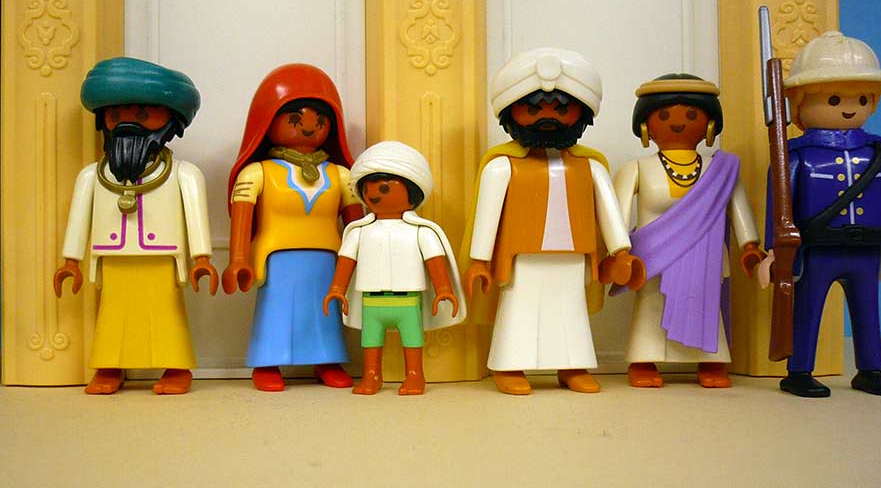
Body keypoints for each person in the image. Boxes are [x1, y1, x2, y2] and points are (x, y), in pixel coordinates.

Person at [461, 47, 645, 395]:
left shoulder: (590, 167)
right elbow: (488, 214)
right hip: (520, 258)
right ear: (510, 113)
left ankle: (572, 366)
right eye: (533, 109)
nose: (548, 117)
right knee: (519, 308)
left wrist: (620, 251)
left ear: (582, 114)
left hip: (574, 256)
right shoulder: (501, 167)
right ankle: (509, 366)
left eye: (562, 109)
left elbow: (608, 212)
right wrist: (480, 261)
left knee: (571, 311)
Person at [54, 57, 218, 395]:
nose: (128, 122)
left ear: (171, 122)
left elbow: (195, 217)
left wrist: (202, 257)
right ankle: (110, 367)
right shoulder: (93, 175)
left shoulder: (183, 174)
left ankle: (176, 368)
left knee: (165, 314)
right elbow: (79, 217)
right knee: (113, 315)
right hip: (113, 256)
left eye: (143, 114)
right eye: (116, 115)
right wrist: (71, 261)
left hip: (162, 257)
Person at [761, 31, 881, 397]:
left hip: (867, 250)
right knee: (807, 309)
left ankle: (870, 368)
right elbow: (779, 208)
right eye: (834, 99)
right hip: (816, 251)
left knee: (868, 310)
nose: (849, 107)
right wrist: (773, 251)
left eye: (862, 98)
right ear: (799, 104)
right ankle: (800, 370)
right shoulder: (796, 159)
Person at [612, 73, 764, 388]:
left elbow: (738, 210)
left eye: (692, 115)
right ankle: (643, 360)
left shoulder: (720, 170)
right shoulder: (637, 168)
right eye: (664, 116)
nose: (678, 123)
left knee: (704, 304)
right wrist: (618, 251)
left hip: (705, 255)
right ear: (645, 125)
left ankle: (710, 360)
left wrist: (750, 246)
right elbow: (616, 214)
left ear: (710, 125)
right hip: (653, 255)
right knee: (651, 306)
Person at [224, 64, 362, 391]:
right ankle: (267, 362)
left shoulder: (341, 175)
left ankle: (327, 359)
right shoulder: (256, 173)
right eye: (296, 119)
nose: (309, 127)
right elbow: (242, 217)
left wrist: (363, 257)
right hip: (277, 256)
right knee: (276, 310)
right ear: (266, 121)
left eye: (320, 120)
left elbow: (357, 224)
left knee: (325, 311)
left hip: (327, 257)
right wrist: (238, 260)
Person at [323, 141, 465, 395]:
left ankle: (415, 376)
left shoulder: (421, 231)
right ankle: (371, 375)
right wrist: (337, 289)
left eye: (384, 187)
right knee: (371, 340)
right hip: (372, 301)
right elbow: (346, 261)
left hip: (407, 300)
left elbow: (435, 260)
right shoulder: (359, 232)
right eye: (367, 188)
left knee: (412, 340)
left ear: (412, 191)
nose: (374, 194)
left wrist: (444, 289)